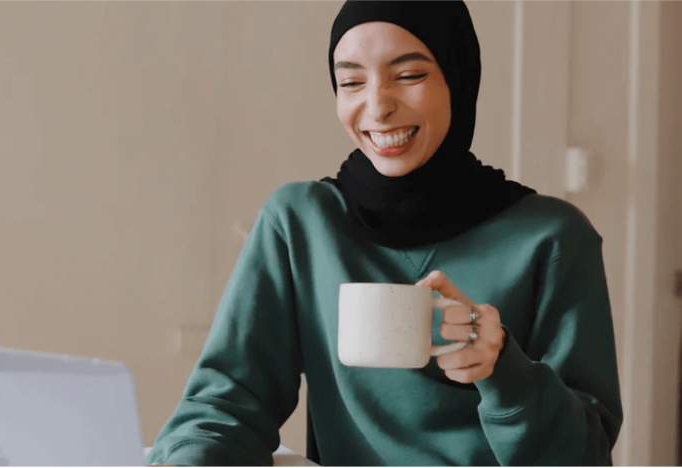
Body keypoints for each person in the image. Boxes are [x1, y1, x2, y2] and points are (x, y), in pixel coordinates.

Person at [146, 1, 623, 466]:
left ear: (458, 78)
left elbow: (587, 456)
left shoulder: (553, 237)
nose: (377, 106)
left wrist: (503, 371)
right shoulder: (299, 222)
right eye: (351, 81)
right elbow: (225, 406)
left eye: (409, 75)